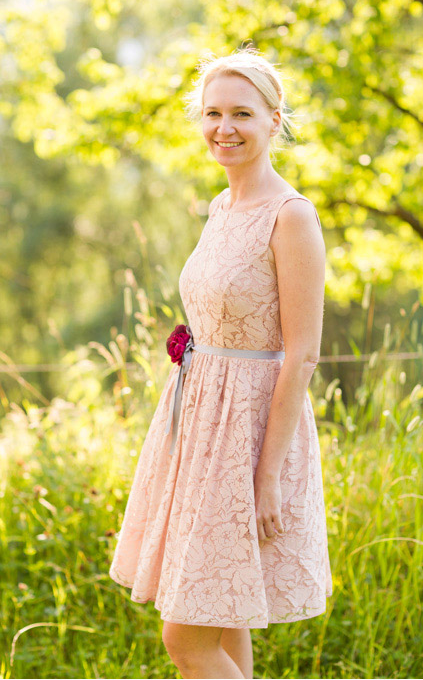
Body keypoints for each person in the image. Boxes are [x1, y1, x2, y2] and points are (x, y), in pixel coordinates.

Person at [108, 46, 332, 679]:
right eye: (212, 113)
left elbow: (303, 352)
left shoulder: (291, 218)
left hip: (252, 430)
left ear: (274, 119)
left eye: (241, 113)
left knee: (184, 638)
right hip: (200, 422)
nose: (224, 128)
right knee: (221, 613)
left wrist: (266, 473)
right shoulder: (220, 207)